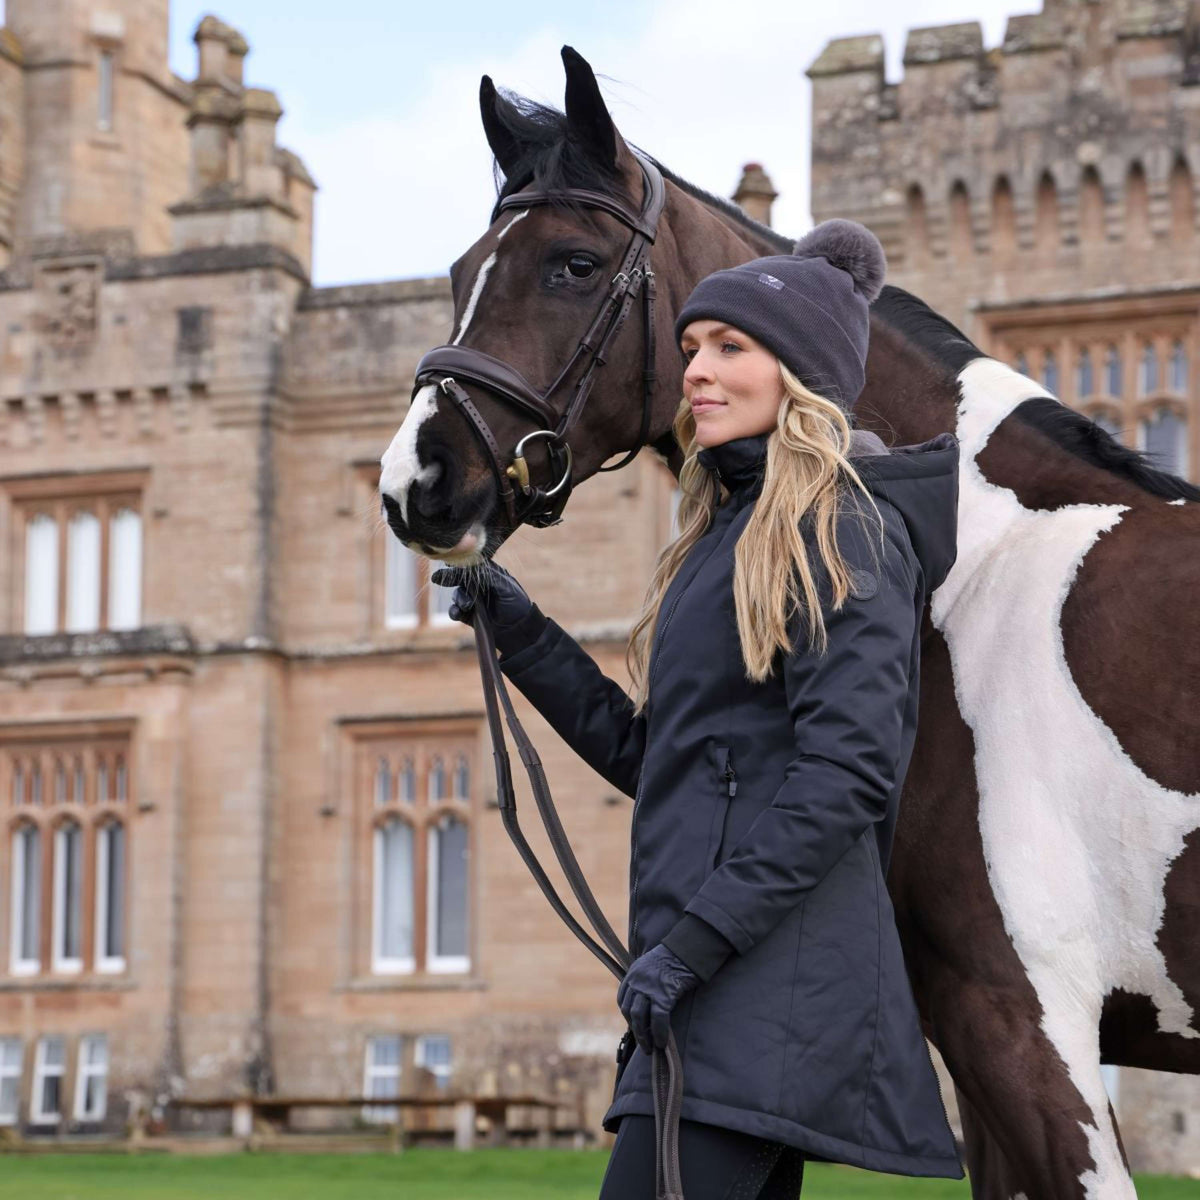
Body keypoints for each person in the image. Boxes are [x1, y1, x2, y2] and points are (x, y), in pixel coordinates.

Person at [434, 219, 964, 1198]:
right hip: (702, 995)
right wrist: (521, 631)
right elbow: (659, 757)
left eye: (730, 348)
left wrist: (689, 946)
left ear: (798, 374)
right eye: (689, 351)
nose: (698, 372)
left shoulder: (845, 526)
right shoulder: (721, 537)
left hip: (765, 990)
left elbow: (847, 775)